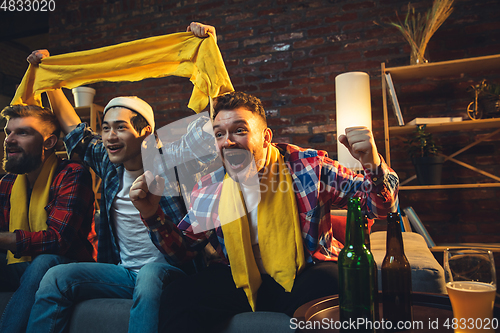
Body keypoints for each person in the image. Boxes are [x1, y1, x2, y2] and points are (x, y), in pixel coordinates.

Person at [130, 91, 400, 332]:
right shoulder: (210, 186)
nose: (227, 142)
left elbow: (377, 206)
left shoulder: (307, 167)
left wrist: (373, 165)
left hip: (305, 271)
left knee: (337, 283)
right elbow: (183, 251)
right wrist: (152, 215)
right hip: (240, 277)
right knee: (179, 295)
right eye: (219, 134)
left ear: (266, 137)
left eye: (239, 130)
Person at [25, 23, 219, 333]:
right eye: (105, 127)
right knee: (56, 277)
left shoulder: (174, 164)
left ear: (146, 133)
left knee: (150, 275)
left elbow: (216, 126)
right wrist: (48, 78)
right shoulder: (108, 162)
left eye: (121, 128)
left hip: (172, 273)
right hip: (124, 273)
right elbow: (73, 129)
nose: (110, 136)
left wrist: (208, 50)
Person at [0, 104, 96, 333]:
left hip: (65, 266)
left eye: (22, 132)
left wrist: (4, 239)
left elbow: (58, 241)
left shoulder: (71, 174)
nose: (9, 140)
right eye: (8, 132)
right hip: (19, 265)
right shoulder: (7, 183)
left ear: (49, 142)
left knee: (45, 261)